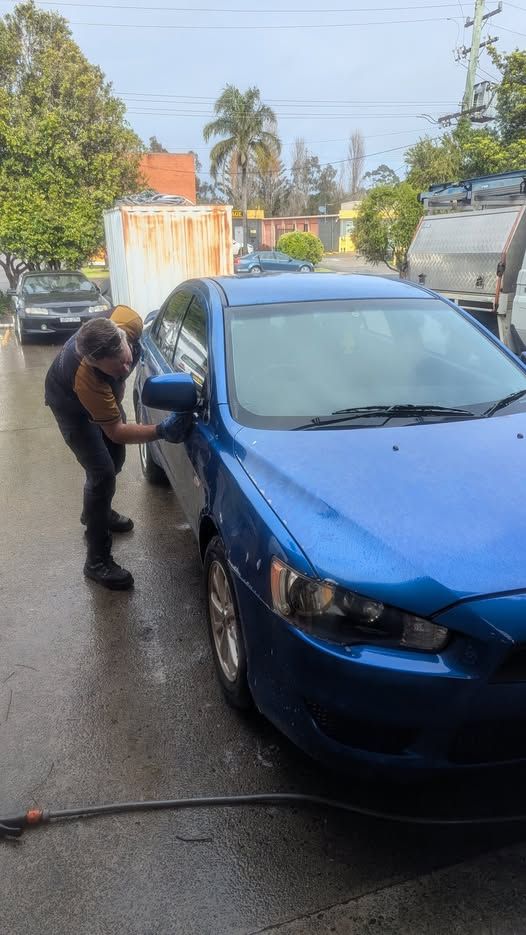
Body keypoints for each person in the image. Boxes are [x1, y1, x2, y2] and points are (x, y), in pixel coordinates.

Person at [45, 305, 189, 591]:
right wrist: (161, 431)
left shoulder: (127, 321)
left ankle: (97, 511)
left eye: (125, 360)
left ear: (123, 338)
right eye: (115, 367)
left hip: (103, 393)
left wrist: (118, 386)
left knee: (115, 458)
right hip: (69, 405)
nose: (125, 368)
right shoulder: (85, 378)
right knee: (102, 474)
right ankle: (96, 562)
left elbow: (120, 379)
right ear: (95, 364)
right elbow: (118, 431)